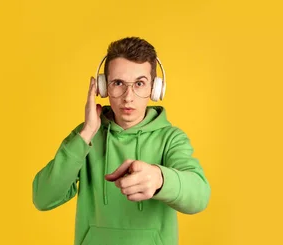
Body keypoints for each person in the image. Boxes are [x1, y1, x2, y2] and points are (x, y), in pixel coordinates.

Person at [32, 37, 210, 245]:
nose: (128, 96)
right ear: (103, 87)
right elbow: (43, 198)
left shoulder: (171, 139)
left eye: (139, 84)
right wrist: (87, 132)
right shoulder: (85, 138)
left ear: (154, 89)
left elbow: (200, 196)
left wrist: (160, 179)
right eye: (118, 83)